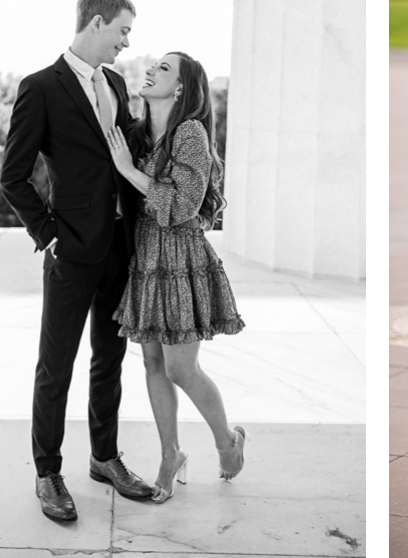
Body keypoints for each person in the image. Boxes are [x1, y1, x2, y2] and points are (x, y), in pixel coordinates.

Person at [0, 0, 153, 523]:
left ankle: (104, 458)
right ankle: (47, 472)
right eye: (122, 30)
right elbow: (13, 176)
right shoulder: (40, 87)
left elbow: (129, 150)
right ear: (95, 23)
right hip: (71, 250)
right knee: (55, 366)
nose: (127, 43)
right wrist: (50, 234)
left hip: (119, 246)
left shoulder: (115, 81)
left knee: (109, 359)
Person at [106, 51, 246, 504]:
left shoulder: (191, 133)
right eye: (153, 66)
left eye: (164, 69)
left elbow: (183, 206)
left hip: (181, 256)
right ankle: (170, 454)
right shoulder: (144, 133)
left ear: (183, 87)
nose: (151, 70)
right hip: (147, 255)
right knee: (150, 363)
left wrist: (128, 170)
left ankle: (227, 440)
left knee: (181, 367)